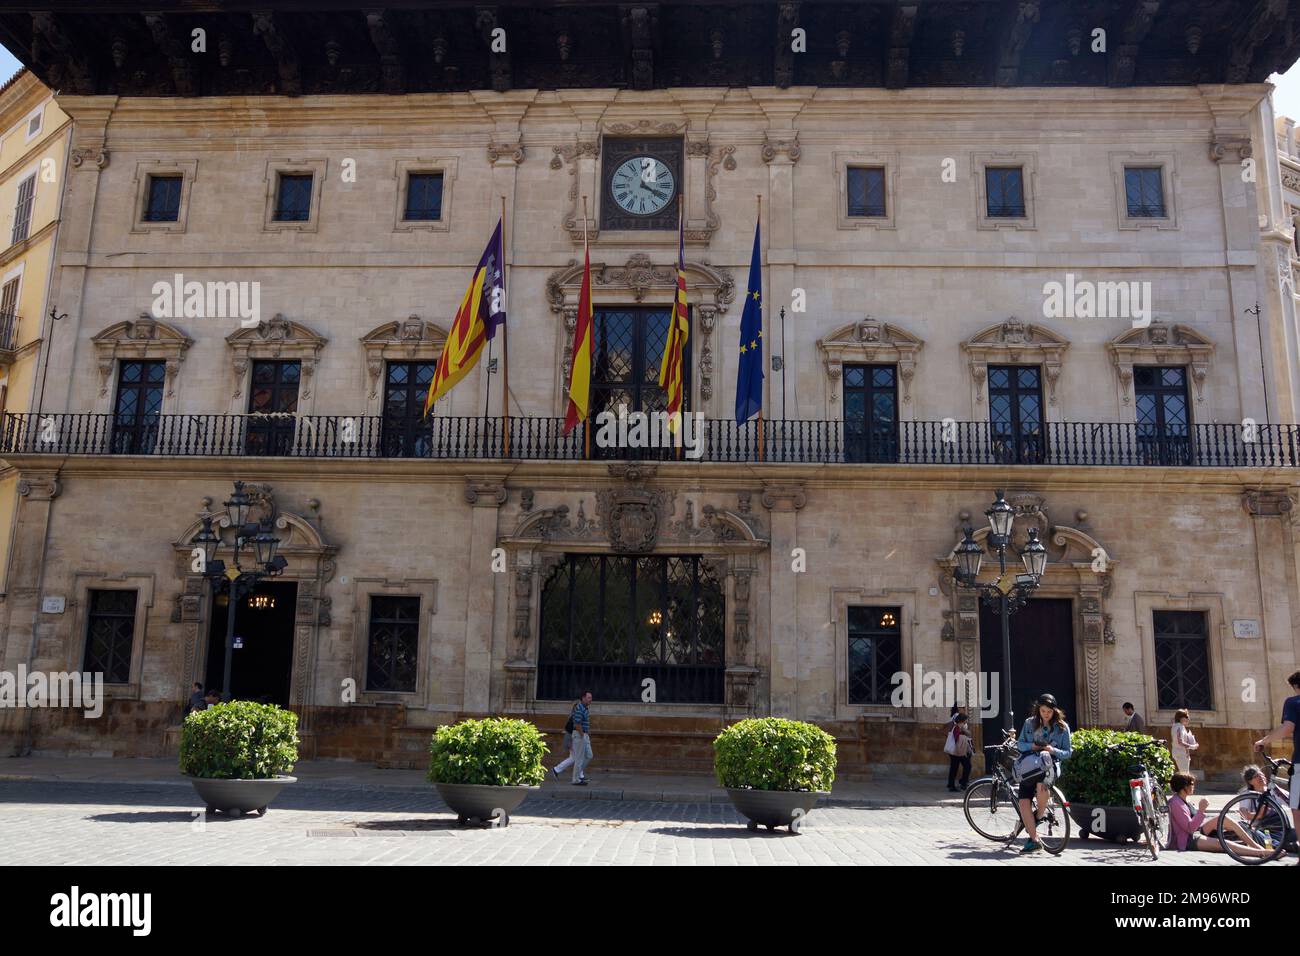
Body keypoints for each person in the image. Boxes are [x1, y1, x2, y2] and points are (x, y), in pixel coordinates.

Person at [1166, 772, 1279, 858]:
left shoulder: (1183, 800)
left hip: (1196, 832)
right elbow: (1189, 828)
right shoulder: (1175, 802)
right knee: (1222, 844)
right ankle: (1263, 853)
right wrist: (1201, 810)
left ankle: (1257, 846)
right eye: (1191, 784)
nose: (1193, 786)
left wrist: (1201, 812)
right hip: (1186, 840)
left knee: (1223, 818)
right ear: (1184, 786)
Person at [1014, 693, 1073, 854]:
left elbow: (1068, 752)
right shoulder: (1029, 723)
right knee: (1023, 802)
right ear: (1038, 710)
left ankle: (1038, 816)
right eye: (1043, 711)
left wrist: (1052, 750)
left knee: (1042, 785)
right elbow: (1020, 744)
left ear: (1055, 711)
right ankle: (1034, 840)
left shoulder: (1062, 728)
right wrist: (1031, 746)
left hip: (1050, 765)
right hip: (1029, 766)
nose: (1046, 714)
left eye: (1049, 711)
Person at [1254, 669, 1300, 863]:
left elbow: (1287, 727)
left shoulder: (1293, 702)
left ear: (1295, 686)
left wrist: (1264, 741)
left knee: (1297, 806)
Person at [552, 690, 593, 785]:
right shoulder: (579, 708)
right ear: (583, 698)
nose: (591, 700)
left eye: (591, 698)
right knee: (577, 758)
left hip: (583, 735)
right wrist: (582, 735)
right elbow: (577, 724)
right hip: (579, 735)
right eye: (589, 698)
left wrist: (586, 732)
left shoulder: (585, 708)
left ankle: (577, 775)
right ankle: (576, 779)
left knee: (588, 755)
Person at [945, 712, 973, 792]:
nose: (966, 722)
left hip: (958, 751)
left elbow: (969, 734)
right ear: (962, 720)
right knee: (966, 766)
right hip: (958, 751)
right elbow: (957, 739)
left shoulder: (960, 727)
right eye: (965, 720)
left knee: (955, 767)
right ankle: (960, 783)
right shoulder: (957, 728)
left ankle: (953, 784)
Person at [1170, 708, 1198, 772]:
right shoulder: (1179, 727)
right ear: (1181, 718)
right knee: (1184, 774)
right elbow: (1180, 742)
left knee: (1184, 773)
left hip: (1181, 753)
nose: (1188, 719)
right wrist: (1192, 746)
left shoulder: (1177, 726)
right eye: (1186, 717)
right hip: (1181, 753)